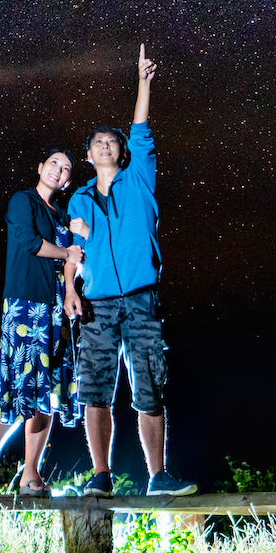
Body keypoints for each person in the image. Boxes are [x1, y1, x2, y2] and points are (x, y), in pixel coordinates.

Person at [64, 44, 197, 497]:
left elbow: (141, 129)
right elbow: (74, 252)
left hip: (141, 296)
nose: (105, 144)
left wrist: (142, 82)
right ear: (88, 156)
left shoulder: (140, 177)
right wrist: (70, 291)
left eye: (112, 141)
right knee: (94, 388)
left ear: (122, 153)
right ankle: (101, 476)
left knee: (150, 384)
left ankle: (157, 476)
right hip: (96, 304)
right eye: (97, 142)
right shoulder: (79, 200)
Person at [0, 149, 85, 496]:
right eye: (53, 164)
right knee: (22, 389)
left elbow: (72, 265)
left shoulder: (63, 215)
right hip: (24, 306)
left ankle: (30, 475)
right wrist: (67, 252)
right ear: (40, 167)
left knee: (48, 393)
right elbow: (29, 242)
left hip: (55, 312)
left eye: (65, 169)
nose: (58, 170)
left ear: (68, 181)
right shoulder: (24, 201)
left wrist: (70, 292)